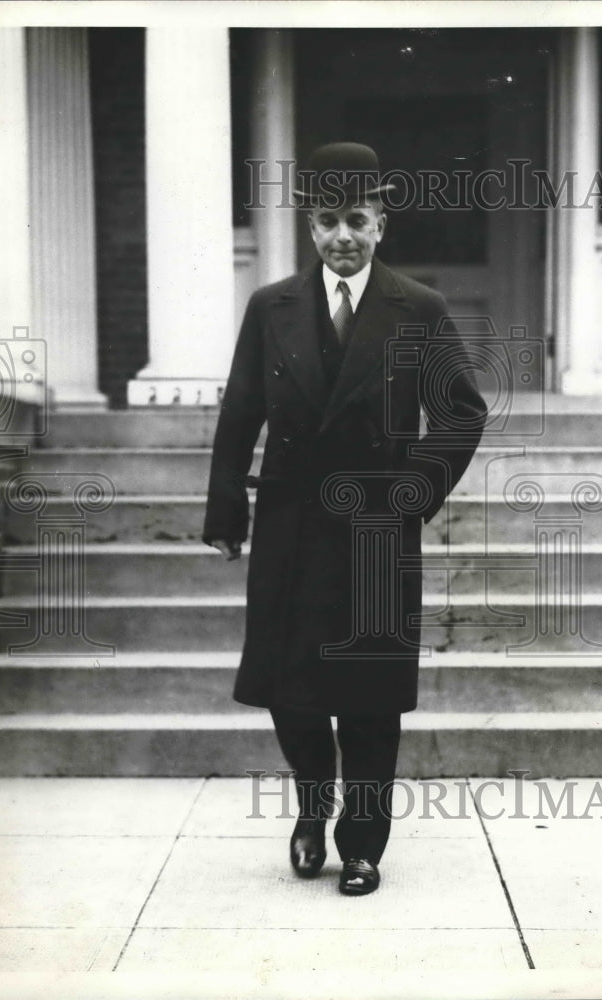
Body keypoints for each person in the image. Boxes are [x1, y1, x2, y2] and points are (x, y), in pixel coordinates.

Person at [204, 142, 487, 895]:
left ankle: (362, 844)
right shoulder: (273, 307)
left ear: (382, 223)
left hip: (374, 528)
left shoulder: (417, 308)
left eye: (356, 219)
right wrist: (226, 508)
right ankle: (311, 807)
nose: (342, 237)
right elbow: (240, 413)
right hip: (292, 521)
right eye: (328, 220)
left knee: (368, 695)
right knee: (289, 690)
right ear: (310, 225)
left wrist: (413, 493)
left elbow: (461, 412)